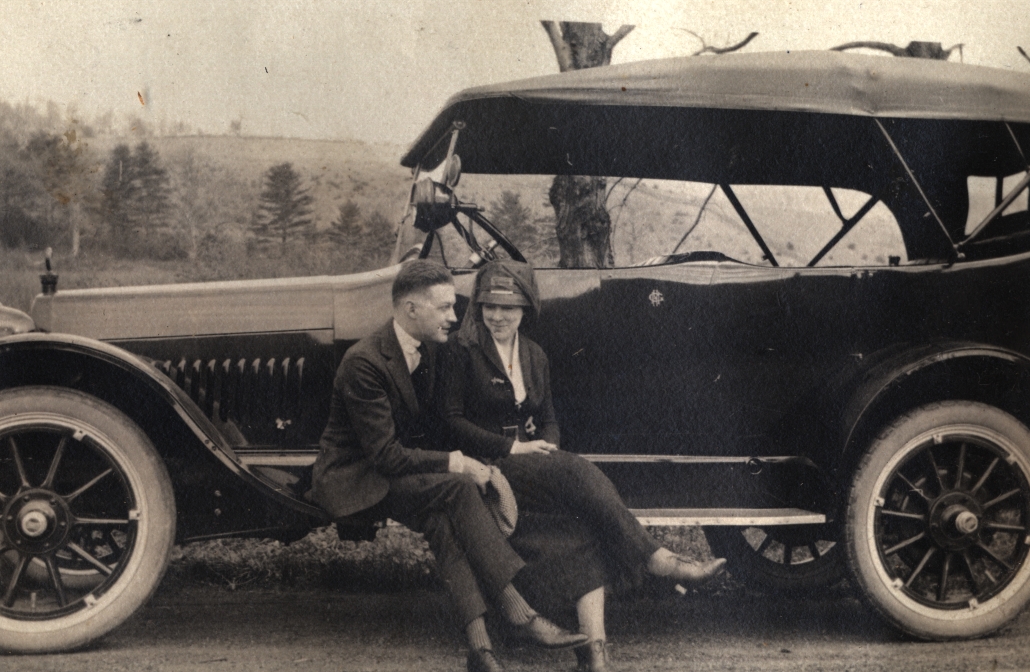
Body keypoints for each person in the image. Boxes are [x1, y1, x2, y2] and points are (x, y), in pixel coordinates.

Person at [439, 259, 727, 672]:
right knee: (576, 470)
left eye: (508, 308)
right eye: (490, 306)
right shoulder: (461, 350)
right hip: (489, 464)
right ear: (479, 307)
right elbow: (451, 422)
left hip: (532, 466)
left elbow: (549, 418)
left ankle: (595, 654)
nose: (498, 316)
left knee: (583, 524)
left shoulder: (534, 354)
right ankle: (656, 558)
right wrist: (513, 448)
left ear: (525, 309)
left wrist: (549, 449)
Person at [309, 259, 587, 672]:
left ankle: (480, 649)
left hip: (404, 473)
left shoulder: (432, 349)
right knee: (457, 487)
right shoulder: (364, 362)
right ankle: (520, 614)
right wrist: (457, 463)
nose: (455, 317)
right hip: (359, 479)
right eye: (443, 308)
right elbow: (385, 456)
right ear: (410, 309)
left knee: (442, 520)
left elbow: (437, 425)